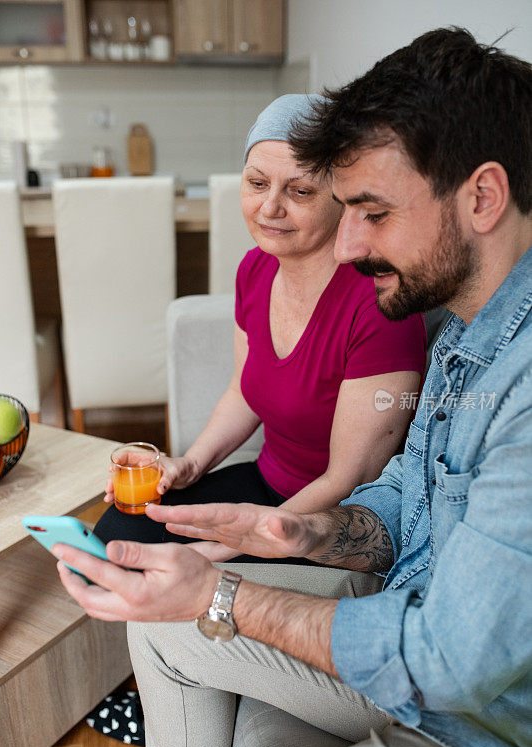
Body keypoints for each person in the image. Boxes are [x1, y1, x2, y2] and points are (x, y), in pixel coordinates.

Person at [54, 27, 532, 747]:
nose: (343, 245)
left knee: (183, 595)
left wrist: (224, 592)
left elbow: (449, 662)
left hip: (486, 728)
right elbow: (407, 496)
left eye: (369, 211)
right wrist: (294, 531)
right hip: (401, 603)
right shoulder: (467, 329)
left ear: (480, 197)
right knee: (152, 595)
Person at [95, 93, 425, 556]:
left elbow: (349, 478)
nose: (270, 207)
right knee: (116, 533)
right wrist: (188, 465)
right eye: (257, 183)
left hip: (329, 522)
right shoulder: (255, 268)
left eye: (300, 191)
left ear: (343, 198)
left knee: (161, 562)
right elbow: (242, 392)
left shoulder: (380, 304)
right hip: (263, 483)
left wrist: (235, 546)